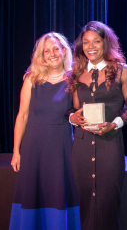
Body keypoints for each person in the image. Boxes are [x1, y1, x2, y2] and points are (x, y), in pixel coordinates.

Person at [67, 21, 127, 230]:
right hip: (81, 146)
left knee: (108, 201)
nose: (91, 46)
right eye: (86, 42)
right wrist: (72, 118)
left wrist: (114, 124)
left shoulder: (122, 71)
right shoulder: (75, 73)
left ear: (106, 43)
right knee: (83, 200)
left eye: (96, 41)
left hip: (110, 143)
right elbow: (71, 109)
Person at [9, 32, 80, 229]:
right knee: (31, 193)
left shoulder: (72, 80)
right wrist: (16, 151)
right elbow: (22, 116)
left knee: (59, 192)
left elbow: (78, 112)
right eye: (47, 51)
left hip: (61, 148)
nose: (52, 54)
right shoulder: (31, 79)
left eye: (56, 49)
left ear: (64, 51)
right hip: (33, 148)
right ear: (41, 56)